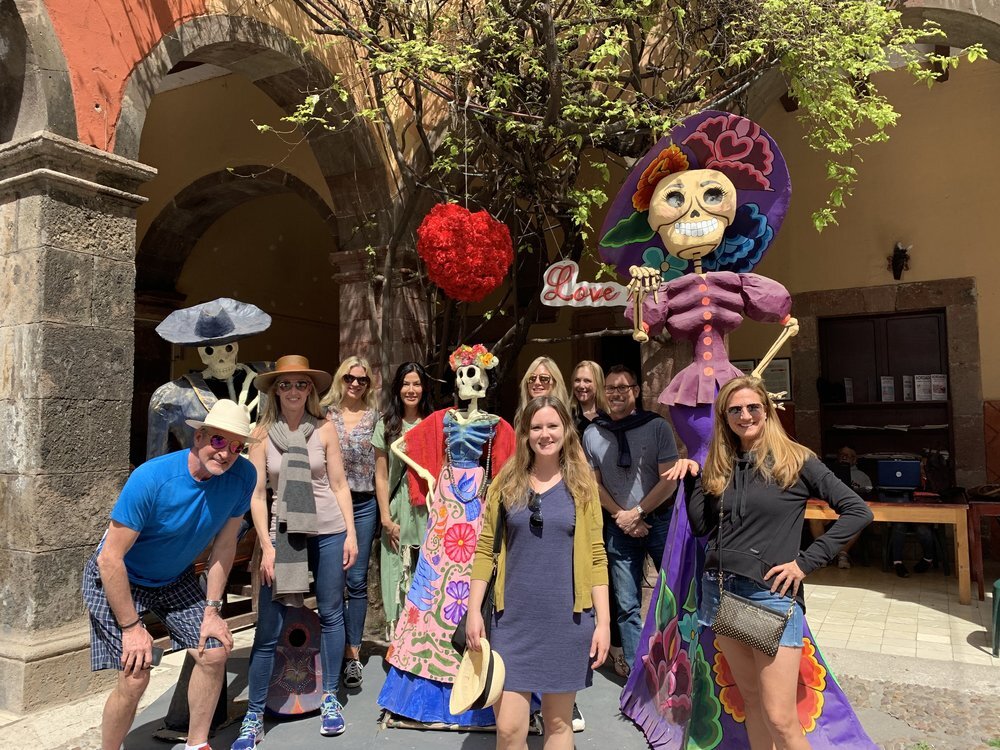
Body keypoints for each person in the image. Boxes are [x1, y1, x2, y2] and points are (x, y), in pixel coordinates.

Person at [674, 376, 873, 750]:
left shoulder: (796, 460)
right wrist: (693, 479)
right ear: (724, 416)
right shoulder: (722, 463)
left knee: (781, 718)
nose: (745, 416)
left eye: (753, 407)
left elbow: (857, 511)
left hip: (770, 597)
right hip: (720, 591)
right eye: (735, 409)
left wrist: (804, 563)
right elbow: (701, 527)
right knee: (751, 702)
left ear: (766, 411)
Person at [82, 399, 257, 750]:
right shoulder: (152, 478)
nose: (225, 453)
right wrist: (132, 629)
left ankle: (196, 744)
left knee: (214, 651)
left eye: (236, 446)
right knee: (135, 674)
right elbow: (110, 559)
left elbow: (225, 546)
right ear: (199, 437)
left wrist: (212, 611)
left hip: (174, 577)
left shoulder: (243, 477)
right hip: (121, 577)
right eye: (218, 440)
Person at [377, 344, 515, 726]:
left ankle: (478, 677)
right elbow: (398, 445)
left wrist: (495, 492)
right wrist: (427, 476)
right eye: (461, 375)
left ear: (485, 380)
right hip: (445, 505)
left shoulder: (498, 424)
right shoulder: (442, 418)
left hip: (477, 507)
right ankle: (425, 676)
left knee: (474, 581)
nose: (466, 381)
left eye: (473, 374)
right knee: (434, 584)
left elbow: (513, 463)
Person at [466, 396, 610, 750]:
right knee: (508, 729)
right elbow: (485, 550)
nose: (545, 434)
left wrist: (604, 623)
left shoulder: (583, 486)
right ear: (525, 433)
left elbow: (596, 556)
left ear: (566, 430)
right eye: (536, 427)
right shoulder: (506, 482)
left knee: (558, 725)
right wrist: (473, 611)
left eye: (552, 426)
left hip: (567, 622)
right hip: (511, 621)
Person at [231, 356, 359, 748]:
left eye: (300, 384)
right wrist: (266, 546)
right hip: (283, 535)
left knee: (332, 613)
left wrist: (351, 534)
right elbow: (257, 495)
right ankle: (254, 716)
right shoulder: (261, 434)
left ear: (310, 390)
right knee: (268, 626)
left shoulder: (324, 428)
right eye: (285, 384)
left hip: (329, 530)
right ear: (274, 391)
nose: (293, 391)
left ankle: (330, 697)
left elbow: (339, 485)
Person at [581, 364, 678, 668]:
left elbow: (670, 480)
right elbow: (592, 485)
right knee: (626, 606)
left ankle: (679, 664)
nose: (616, 394)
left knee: (674, 596)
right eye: (610, 388)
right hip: (619, 528)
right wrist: (622, 517)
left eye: (623, 387)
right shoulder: (592, 433)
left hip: (659, 522)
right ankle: (639, 674)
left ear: (635, 391)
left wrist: (637, 512)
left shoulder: (657, 427)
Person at [320, 355, 379, 689]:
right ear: (340, 378)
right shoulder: (324, 415)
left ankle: (351, 653)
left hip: (364, 503)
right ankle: (331, 645)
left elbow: (383, 465)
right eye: (350, 378)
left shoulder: (374, 417)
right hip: (329, 504)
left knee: (356, 580)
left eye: (362, 379)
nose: (355, 384)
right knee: (332, 580)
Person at [373, 362, 435, 632]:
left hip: (428, 509)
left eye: (417, 384)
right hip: (398, 510)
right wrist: (386, 519)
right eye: (406, 384)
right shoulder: (386, 425)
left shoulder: (434, 424)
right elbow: (381, 475)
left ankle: (426, 634)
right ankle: (400, 637)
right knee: (396, 573)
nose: (411, 390)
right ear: (397, 388)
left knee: (428, 572)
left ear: (424, 388)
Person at [808, 446, 871, 569]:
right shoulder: (828, 472)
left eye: (848, 456)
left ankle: (843, 554)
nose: (844, 457)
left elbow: (868, 491)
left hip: (850, 509)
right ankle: (821, 555)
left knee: (859, 519)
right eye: (842, 455)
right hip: (829, 508)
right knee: (814, 517)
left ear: (854, 459)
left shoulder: (862, 476)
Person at [889, 456, 937, 578]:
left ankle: (928, 558)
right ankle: (897, 562)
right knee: (899, 525)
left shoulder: (933, 478)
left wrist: (926, 476)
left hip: (923, 513)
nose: (921, 468)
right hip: (904, 511)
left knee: (922, 529)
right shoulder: (903, 476)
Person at [570, 360, 609, 433]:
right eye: (577, 380)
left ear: (598, 383)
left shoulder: (609, 416)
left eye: (587, 381)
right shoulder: (566, 416)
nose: (581, 386)